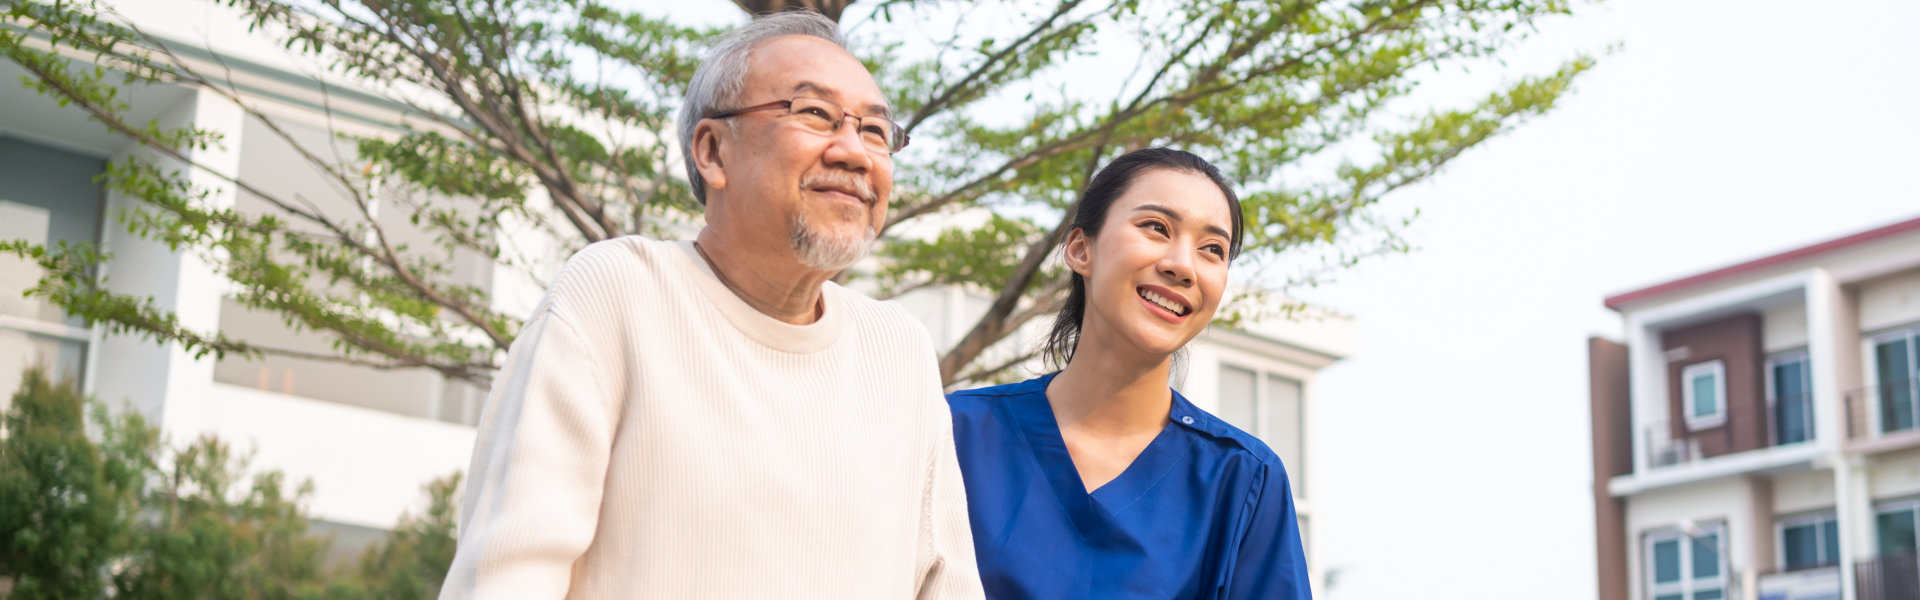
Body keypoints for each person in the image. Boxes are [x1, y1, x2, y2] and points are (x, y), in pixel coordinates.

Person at [440, 11, 982, 599]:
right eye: (815, 114)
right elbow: (507, 577)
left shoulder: (898, 349)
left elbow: (946, 585)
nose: (854, 153)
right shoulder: (618, 292)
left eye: (876, 131)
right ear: (713, 151)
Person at [946, 148, 1310, 599]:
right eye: (1156, 227)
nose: (1182, 265)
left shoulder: (1242, 480)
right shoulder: (952, 435)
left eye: (1212, 249)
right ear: (1080, 249)